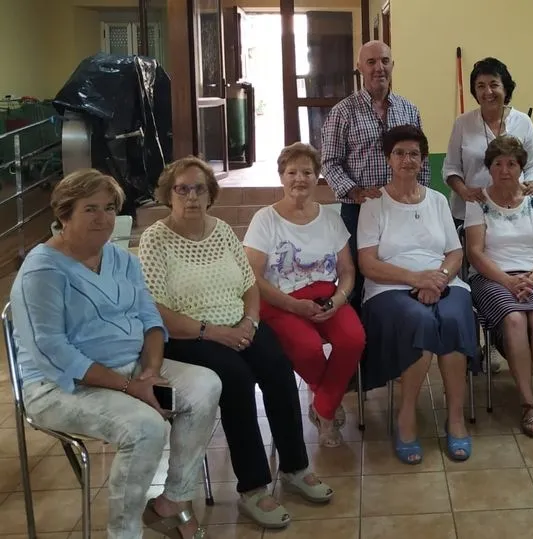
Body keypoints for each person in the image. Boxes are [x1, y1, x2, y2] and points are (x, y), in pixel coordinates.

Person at [10, 169, 220, 539]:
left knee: (205, 385)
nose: (103, 219)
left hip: (131, 369)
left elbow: (150, 320)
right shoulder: (41, 271)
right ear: (64, 214)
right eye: (90, 209)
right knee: (145, 428)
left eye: (109, 208)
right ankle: (123, 533)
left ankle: (172, 501)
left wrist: (150, 373)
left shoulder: (121, 260)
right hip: (59, 386)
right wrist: (128, 386)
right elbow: (54, 351)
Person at [138, 157, 333, 529]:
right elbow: (156, 308)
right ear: (169, 194)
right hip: (189, 335)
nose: (192, 197)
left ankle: (295, 466)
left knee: (278, 367)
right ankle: (254, 488)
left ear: (210, 195)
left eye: (199, 189)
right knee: (236, 379)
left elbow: (249, 285)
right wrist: (212, 332)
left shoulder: (223, 230)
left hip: (239, 325)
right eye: (183, 189)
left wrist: (250, 322)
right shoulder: (155, 239)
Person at [358, 125, 478, 464]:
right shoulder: (373, 205)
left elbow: (455, 253)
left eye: (413, 153)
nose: (407, 159)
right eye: (399, 153)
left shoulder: (438, 200)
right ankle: (406, 414)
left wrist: (437, 280)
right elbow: (368, 263)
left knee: (454, 318)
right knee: (418, 321)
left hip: (442, 282)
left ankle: (455, 416)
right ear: (388, 159)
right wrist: (416, 279)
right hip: (389, 287)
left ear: (423, 159)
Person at [243, 142, 365, 448]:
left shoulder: (331, 219)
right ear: (281, 176)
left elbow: (347, 271)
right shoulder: (264, 220)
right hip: (280, 300)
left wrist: (339, 299)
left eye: (307, 172)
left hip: (326, 297)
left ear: (317, 177)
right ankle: (327, 411)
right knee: (309, 348)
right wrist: (293, 305)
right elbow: (252, 277)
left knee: (353, 339)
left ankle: (321, 404)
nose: (299, 178)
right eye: (292, 172)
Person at [321, 40, 429, 312]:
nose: (378, 68)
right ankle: (364, 347)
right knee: (357, 280)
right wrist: (355, 192)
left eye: (384, 61)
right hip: (359, 210)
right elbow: (330, 163)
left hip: (402, 210)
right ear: (359, 68)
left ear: (393, 65)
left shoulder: (409, 110)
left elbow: (421, 159)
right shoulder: (342, 113)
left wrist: (420, 200)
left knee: (400, 273)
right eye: (371, 62)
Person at [464, 135, 533, 437]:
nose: (505, 170)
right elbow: (475, 253)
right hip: (492, 278)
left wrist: (531, 278)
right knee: (515, 318)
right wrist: (506, 280)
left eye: (511, 164)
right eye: (498, 164)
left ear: (521, 167)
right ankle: (527, 403)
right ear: (489, 167)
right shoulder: (477, 202)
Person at [444, 57, 533, 226]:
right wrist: (464, 191)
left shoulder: (523, 122)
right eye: (480, 86)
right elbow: (451, 168)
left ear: (506, 88)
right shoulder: (463, 123)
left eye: (494, 84)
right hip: (470, 212)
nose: (488, 92)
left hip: (514, 211)